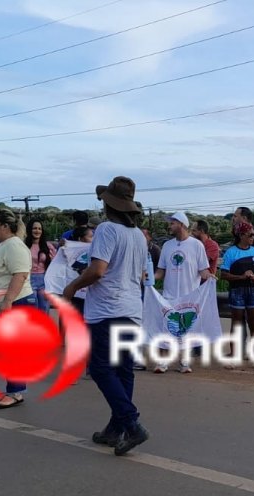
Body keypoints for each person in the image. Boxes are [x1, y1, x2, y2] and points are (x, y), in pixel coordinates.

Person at [64, 175, 151, 456]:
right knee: (123, 370)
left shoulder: (106, 230)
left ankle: (131, 422)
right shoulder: (138, 235)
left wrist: (73, 286)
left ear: (109, 204)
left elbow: (98, 270)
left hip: (107, 311)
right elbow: (137, 274)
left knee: (101, 368)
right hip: (131, 310)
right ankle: (116, 429)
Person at [0, 208, 34, 409]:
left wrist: (7, 302)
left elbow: (20, 275)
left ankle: (15, 391)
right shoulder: (4, 246)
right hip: (8, 303)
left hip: (15, 302)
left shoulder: (14, 246)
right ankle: (15, 389)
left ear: (6, 226)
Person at [153, 211, 211, 373]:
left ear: (181, 224)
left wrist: (210, 277)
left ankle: (184, 362)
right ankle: (162, 362)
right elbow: (160, 272)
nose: (169, 226)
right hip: (169, 295)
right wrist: (149, 279)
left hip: (189, 296)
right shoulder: (167, 245)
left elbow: (203, 270)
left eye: (172, 223)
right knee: (165, 328)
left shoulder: (196, 245)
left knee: (186, 329)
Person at [218, 222, 254, 368]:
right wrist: (241, 277)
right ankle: (233, 356)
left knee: (253, 324)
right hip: (237, 290)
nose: (252, 238)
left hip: (253, 290)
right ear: (241, 235)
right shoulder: (231, 252)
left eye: (253, 235)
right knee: (237, 323)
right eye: (250, 235)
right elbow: (224, 274)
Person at [25, 220, 57, 312]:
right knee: (31, 308)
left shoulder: (48, 246)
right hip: (28, 281)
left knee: (44, 308)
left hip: (44, 281)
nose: (37, 231)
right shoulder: (24, 246)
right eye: (34, 228)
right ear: (29, 230)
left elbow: (55, 263)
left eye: (39, 229)